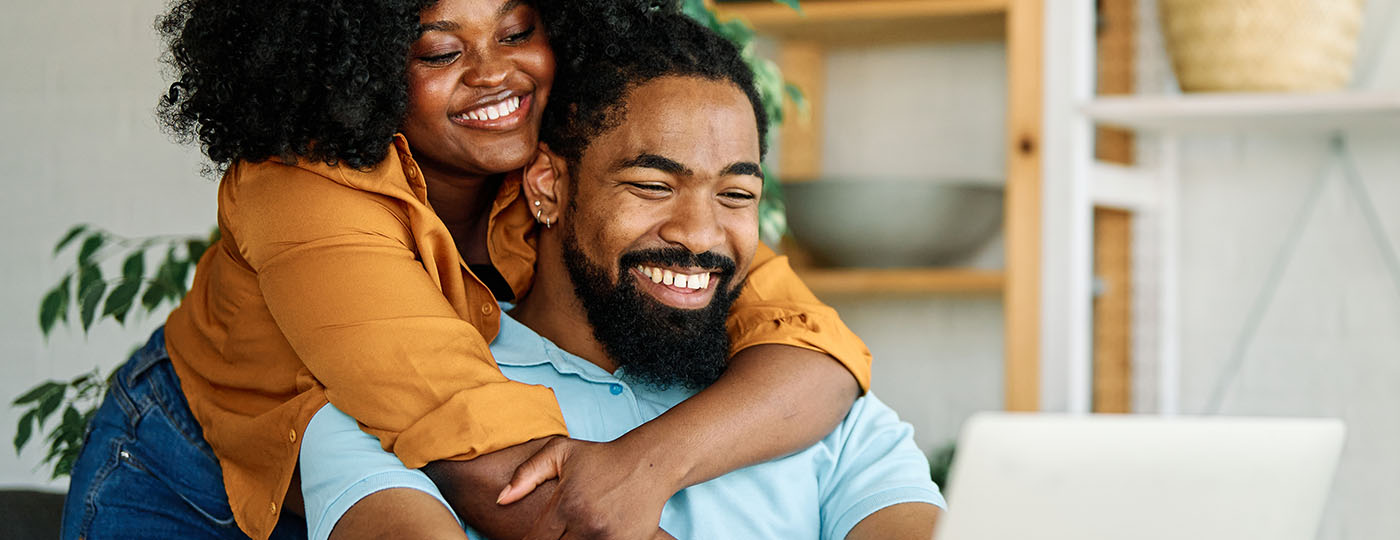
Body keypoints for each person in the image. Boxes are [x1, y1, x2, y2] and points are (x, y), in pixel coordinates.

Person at [61, 1, 873, 539]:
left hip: (383, 475)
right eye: (442, 50)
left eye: (517, 32)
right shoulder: (298, 191)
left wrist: (645, 460)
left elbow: (809, 351)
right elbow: (495, 463)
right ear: (362, 64)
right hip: (187, 479)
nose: (496, 74)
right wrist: (618, 485)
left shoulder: (569, 154)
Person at [300, 11, 944, 539]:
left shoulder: (825, 412)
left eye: (736, 195)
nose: (699, 234)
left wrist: (645, 465)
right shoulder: (374, 417)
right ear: (548, 186)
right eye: (652, 185)